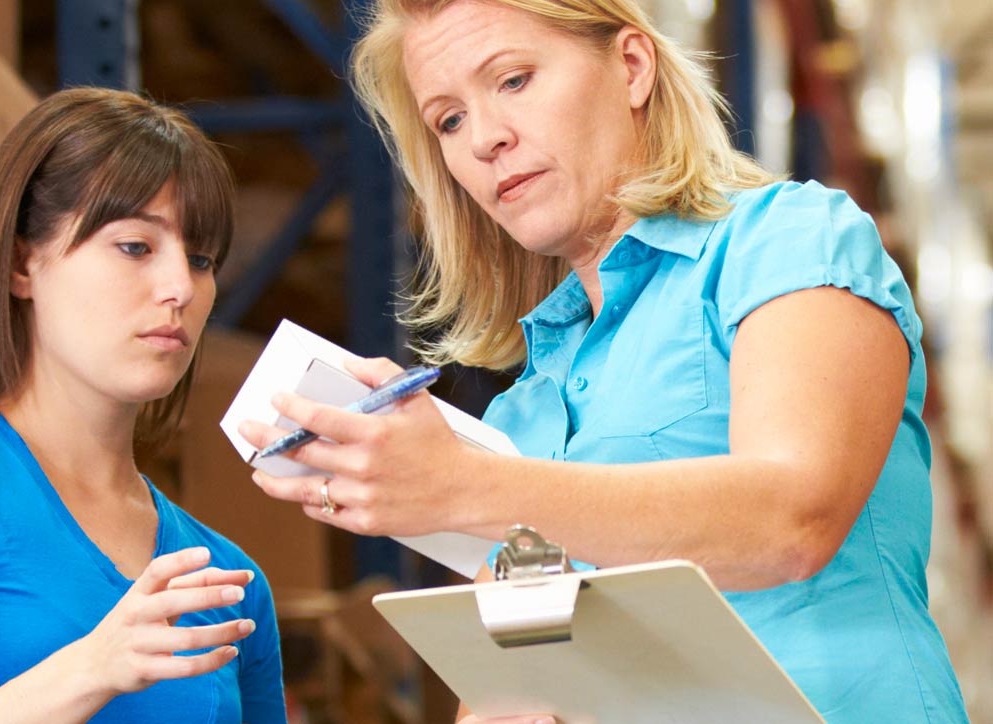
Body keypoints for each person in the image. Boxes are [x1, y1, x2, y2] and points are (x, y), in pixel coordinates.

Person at [238, 1, 970, 722]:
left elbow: (792, 519)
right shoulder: (521, 415)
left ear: (631, 67)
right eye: (449, 121)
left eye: (514, 79)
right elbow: (510, 687)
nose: (485, 138)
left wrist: (462, 484)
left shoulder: (787, 240)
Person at [0, 88, 286, 723]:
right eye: (135, 247)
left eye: (202, 258)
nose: (181, 287)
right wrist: (89, 670)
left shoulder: (231, 583)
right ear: (23, 262)